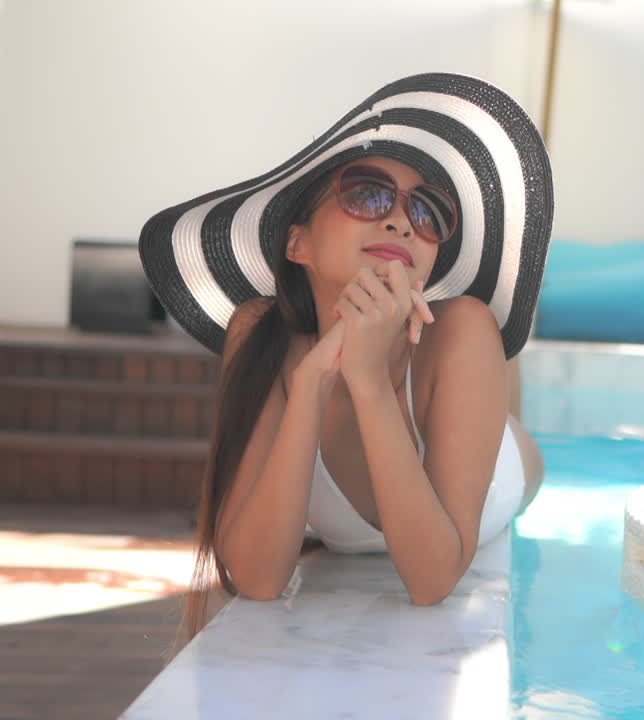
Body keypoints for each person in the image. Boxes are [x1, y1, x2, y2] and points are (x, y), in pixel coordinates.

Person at [137, 73, 554, 639]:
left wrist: (368, 378)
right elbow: (257, 579)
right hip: (380, 390)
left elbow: (431, 581)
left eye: (428, 211)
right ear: (297, 243)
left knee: (503, 413)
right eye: (367, 193)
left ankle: (503, 383)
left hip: (503, 468)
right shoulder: (261, 335)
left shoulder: (463, 329)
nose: (401, 220)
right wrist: (311, 382)